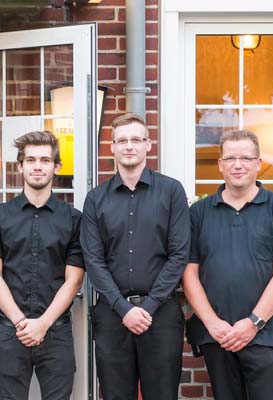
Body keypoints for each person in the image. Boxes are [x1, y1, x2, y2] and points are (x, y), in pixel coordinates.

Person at [184, 129, 273, 400]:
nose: (238, 165)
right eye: (231, 158)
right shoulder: (198, 213)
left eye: (246, 158)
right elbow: (188, 274)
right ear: (220, 164)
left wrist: (253, 323)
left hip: (266, 334)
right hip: (217, 336)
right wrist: (212, 323)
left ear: (258, 163)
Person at [81, 113, 190, 400]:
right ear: (112, 147)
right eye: (122, 140)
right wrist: (123, 309)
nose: (129, 146)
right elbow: (93, 260)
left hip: (161, 314)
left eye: (136, 140)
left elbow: (179, 254)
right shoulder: (96, 199)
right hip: (112, 316)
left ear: (148, 145)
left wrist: (149, 306)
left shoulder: (171, 191)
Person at [0, 131, 85, 400]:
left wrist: (43, 324)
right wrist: (21, 322)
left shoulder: (73, 219)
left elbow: (74, 280)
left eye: (45, 160)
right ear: (20, 166)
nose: (38, 166)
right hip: (11, 329)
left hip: (57, 331)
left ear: (56, 167)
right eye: (31, 160)